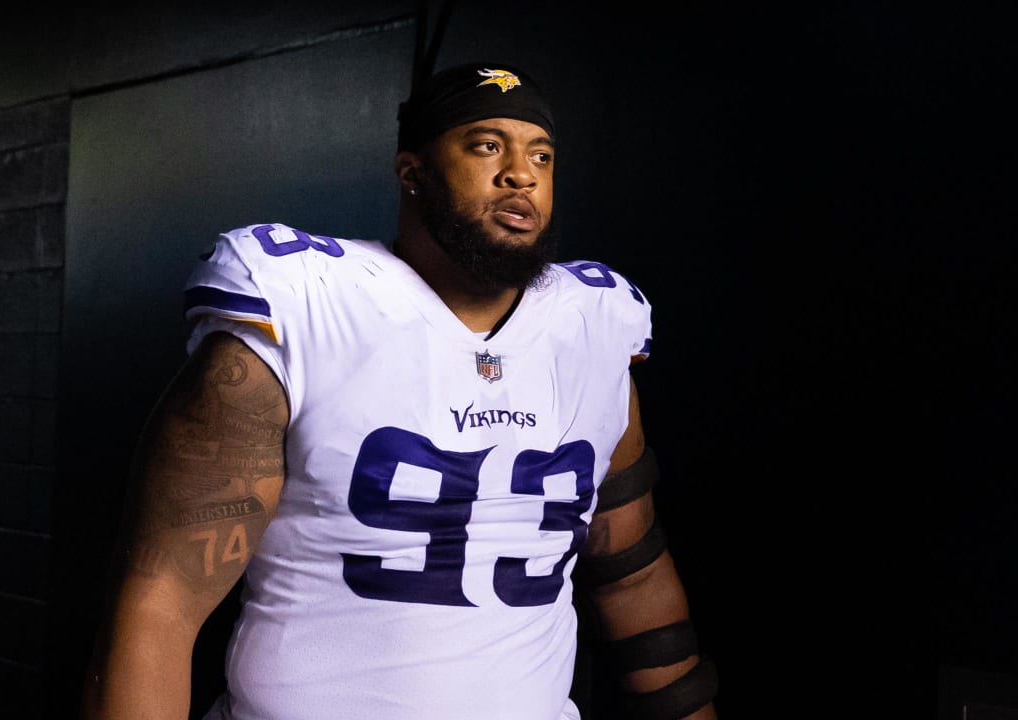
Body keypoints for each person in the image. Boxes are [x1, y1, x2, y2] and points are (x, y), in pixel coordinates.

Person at [82, 61, 718, 720]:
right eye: (487, 146)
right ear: (411, 171)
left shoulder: (592, 329)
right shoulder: (306, 309)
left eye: (542, 155)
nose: (520, 173)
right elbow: (160, 602)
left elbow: (634, 576)